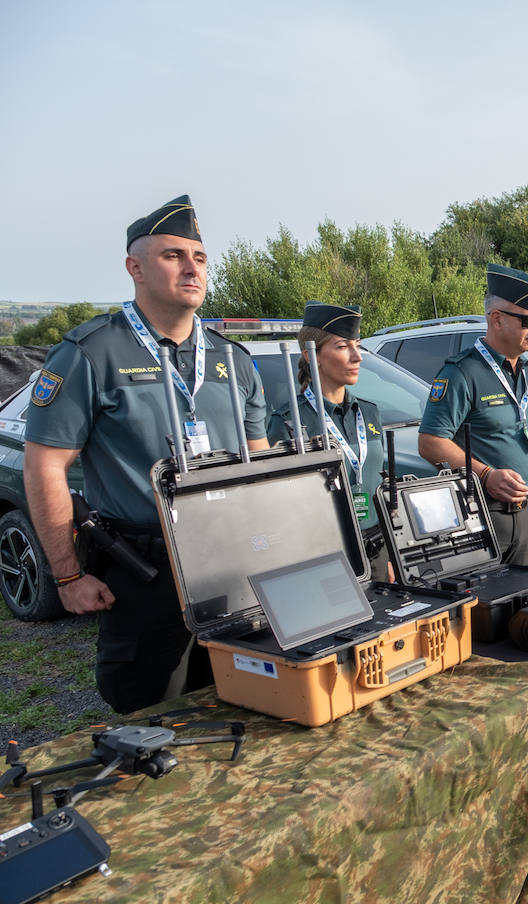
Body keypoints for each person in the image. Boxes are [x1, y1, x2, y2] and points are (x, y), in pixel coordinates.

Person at [24, 195, 269, 714]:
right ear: (134, 268)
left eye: (199, 258)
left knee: (242, 701)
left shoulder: (233, 359)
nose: (191, 268)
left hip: (233, 562)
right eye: (173, 255)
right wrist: (67, 575)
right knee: (150, 707)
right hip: (145, 570)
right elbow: (46, 466)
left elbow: (263, 466)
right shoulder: (92, 353)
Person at [419, 265, 528, 565]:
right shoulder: (462, 372)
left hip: (526, 513)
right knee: (485, 607)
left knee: (524, 605)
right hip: (483, 514)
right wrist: (485, 475)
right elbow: (430, 442)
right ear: (496, 318)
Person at [266, 301, 388, 578]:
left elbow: (378, 484)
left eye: (358, 345)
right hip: (325, 555)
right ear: (312, 355)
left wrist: (391, 554)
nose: (357, 357)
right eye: (343, 346)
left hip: (377, 547)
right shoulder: (289, 421)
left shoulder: (368, 412)